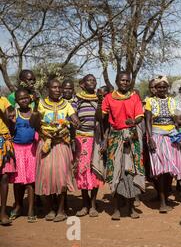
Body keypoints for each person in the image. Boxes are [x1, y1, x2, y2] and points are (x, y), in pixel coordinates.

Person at [30, 78, 79, 222]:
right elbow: (33, 124)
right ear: (48, 89)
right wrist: (35, 110)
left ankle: (61, 210)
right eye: (54, 87)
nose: (58, 90)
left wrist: (76, 122)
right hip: (46, 144)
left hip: (62, 144)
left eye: (59, 88)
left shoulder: (66, 104)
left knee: (62, 178)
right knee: (45, 177)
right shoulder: (41, 104)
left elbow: (74, 119)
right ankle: (50, 208)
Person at [101, 72, 146, 220]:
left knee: (131, 172)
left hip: (132, 138)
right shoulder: (109, 98)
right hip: (115, 138)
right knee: (116, 173)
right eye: (122, 80)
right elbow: (103, 118)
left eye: (127, 80)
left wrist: (134, 122)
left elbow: (140, 115)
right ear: (116, 81)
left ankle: (131, 207)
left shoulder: (135, 97)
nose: (125, 83)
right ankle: (116, 208)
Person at [145, 76, 181, 213]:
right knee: (161, 171)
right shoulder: (150, 101)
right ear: (155, 89)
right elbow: (148, 121)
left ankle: (166, 198)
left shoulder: (172, 102)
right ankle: (162, 202)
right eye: (159, 87)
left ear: (167, 88)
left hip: (172, 138)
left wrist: (178, 137)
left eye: (164, 87)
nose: (161, 89)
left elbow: (176, 121)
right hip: (157, 137)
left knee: (169, 172)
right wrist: (150, 138)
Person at [72, 74, 102, 217]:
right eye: (89, 80)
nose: (92, 82)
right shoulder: (77, 98)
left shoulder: (100, 98)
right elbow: (71, 113)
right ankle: (85, 204)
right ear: (83, 84)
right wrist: (74, 119)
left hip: (96, 139)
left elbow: (104, 118)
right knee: (82, 171)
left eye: (94, 80)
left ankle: (93, 204)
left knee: (95, 170)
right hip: (82, 139)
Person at [8, 89, 38, 223]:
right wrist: (12, 122)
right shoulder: (15, 114)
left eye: (26, 97)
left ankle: (31, 209)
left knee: (31, 182)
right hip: (18, 150)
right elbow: (11, 132)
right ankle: (18, 205)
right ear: (17, 101)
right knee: (18, 182)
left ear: (29, 98)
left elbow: (38, 127)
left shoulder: (33, 112)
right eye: (21, 99)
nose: (24, 100)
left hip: (31, 149)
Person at [0, 95, 15, 225]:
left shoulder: (4, 101)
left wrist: (1, 112)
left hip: (3, 140)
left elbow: (10, 122)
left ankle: (3, 211)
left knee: (4, 177)